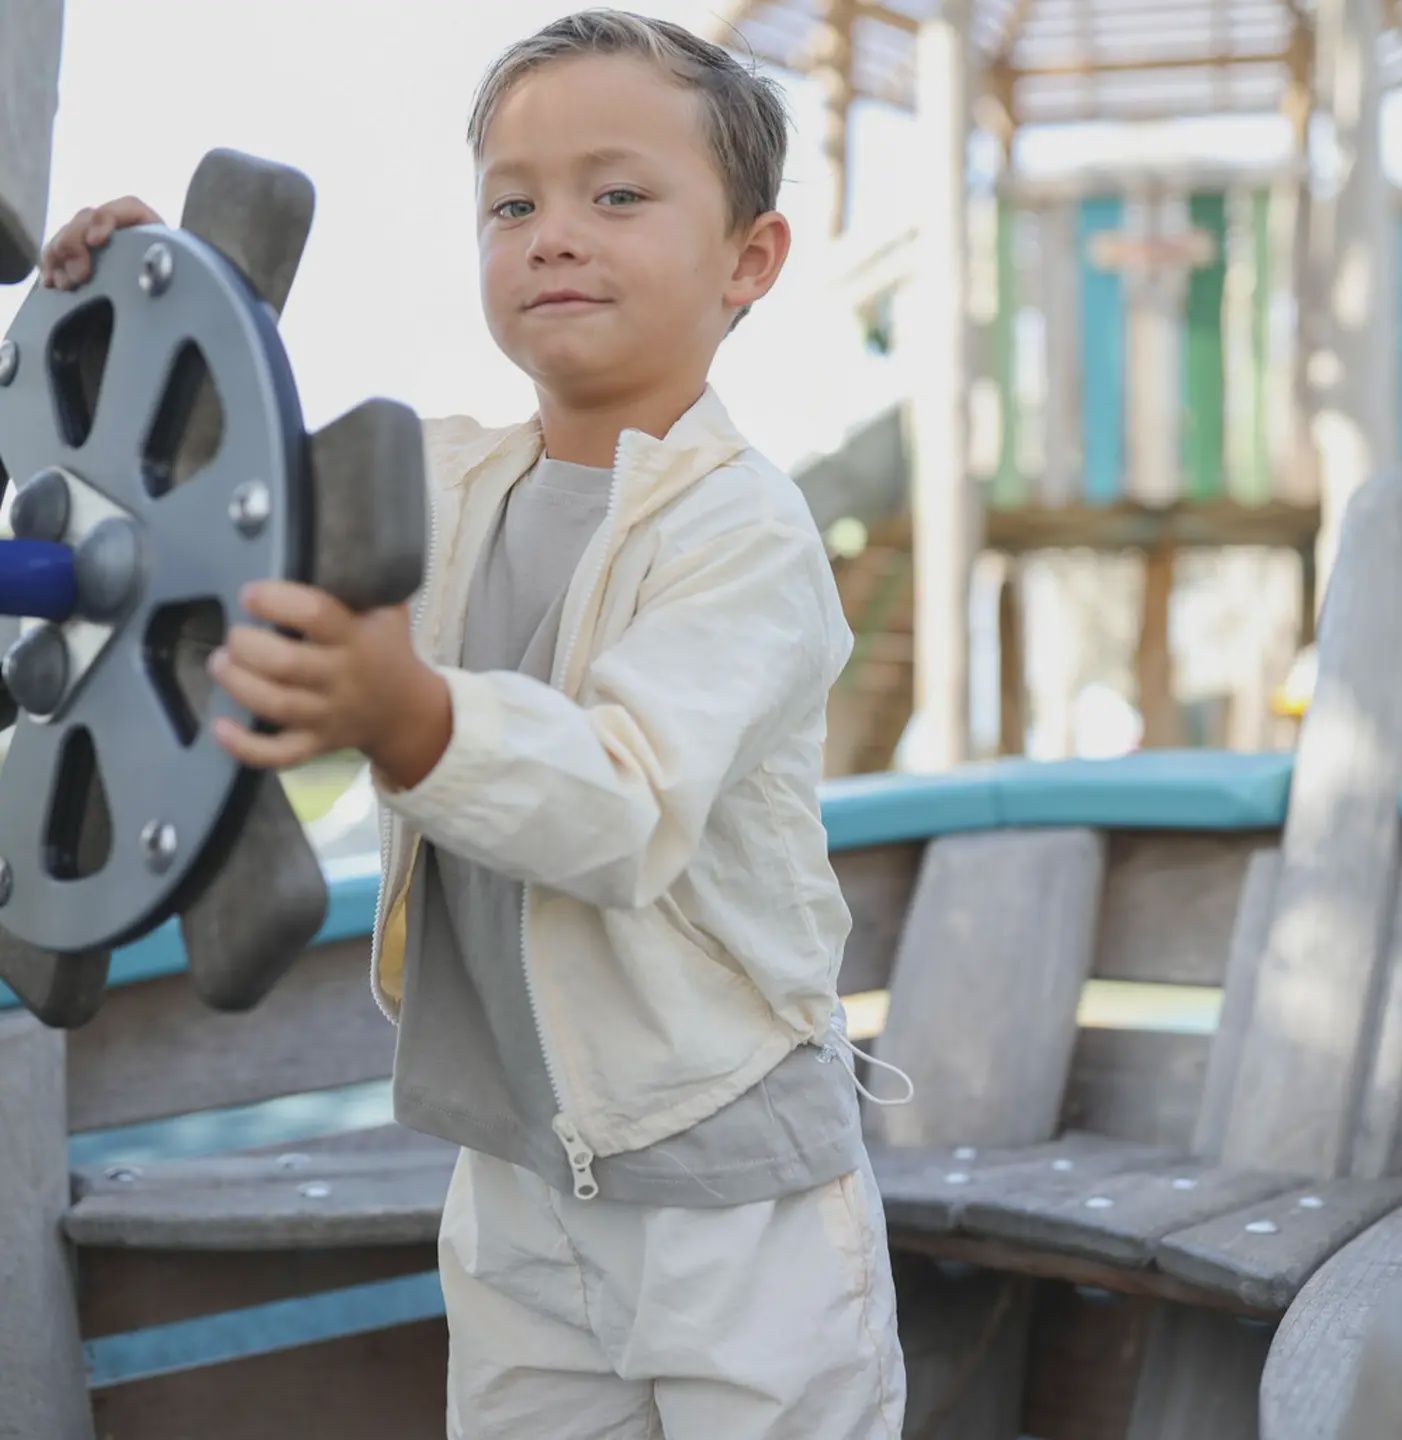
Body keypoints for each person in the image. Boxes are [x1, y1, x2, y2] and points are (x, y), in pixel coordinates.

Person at [41, 11, 911, 1437]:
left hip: (727, 1185)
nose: (554, 234)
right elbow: (228, 506)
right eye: (514, 203)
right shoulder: (439, 490)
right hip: (514, 1169)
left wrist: (417, 719)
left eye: (617, 195)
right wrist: (140, 322)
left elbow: (623, 808)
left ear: (749, 260)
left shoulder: (743, 534)